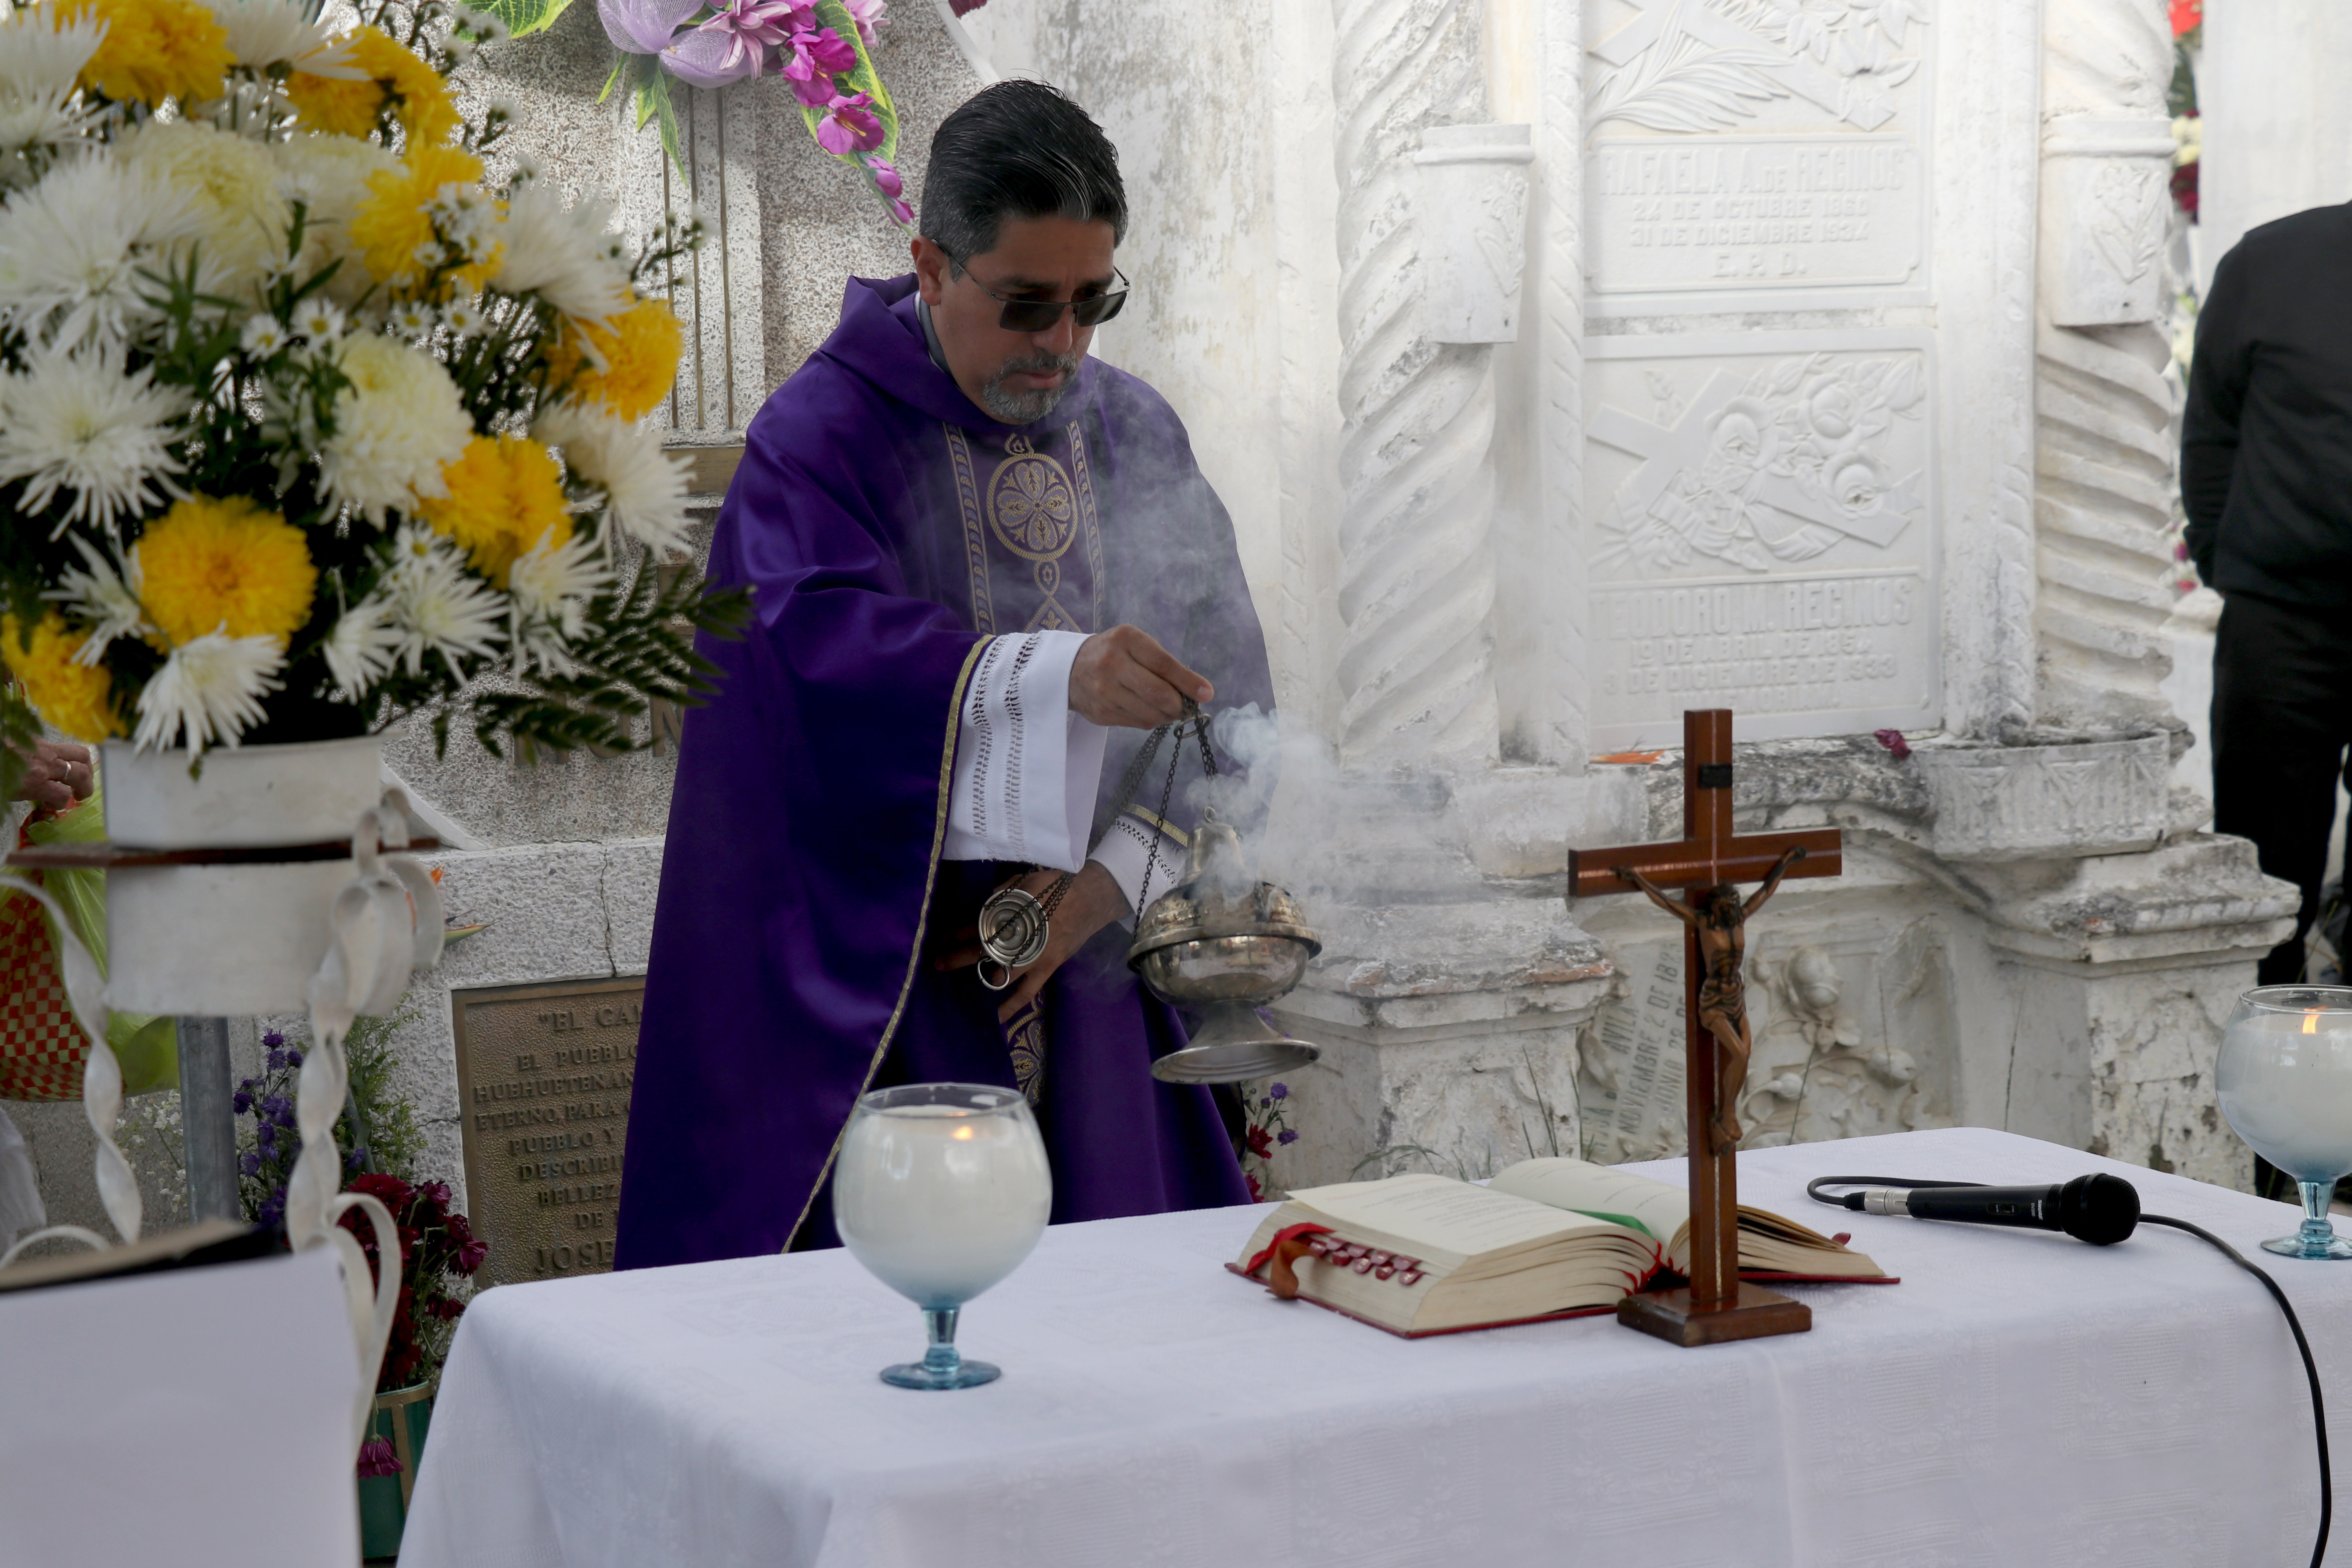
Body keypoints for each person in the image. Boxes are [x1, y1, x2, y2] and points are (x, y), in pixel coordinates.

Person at [614, 82, 1274, 1269]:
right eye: (1028, 305)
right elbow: (800, 676)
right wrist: (1052, 677)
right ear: (930, 264)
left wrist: (1094, 897)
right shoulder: (817, 441)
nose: (1064, 345)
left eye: (1093, 303)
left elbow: (1229, 702)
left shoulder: (1133, 432)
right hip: (892, 995)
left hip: (1092, 992)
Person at [2182, 205, 2352, 985]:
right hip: (2281, 621)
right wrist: (2234, 566)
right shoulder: (2272, 260)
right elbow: (2213, 431)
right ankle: (2265, 1069)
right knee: (2264, 863)